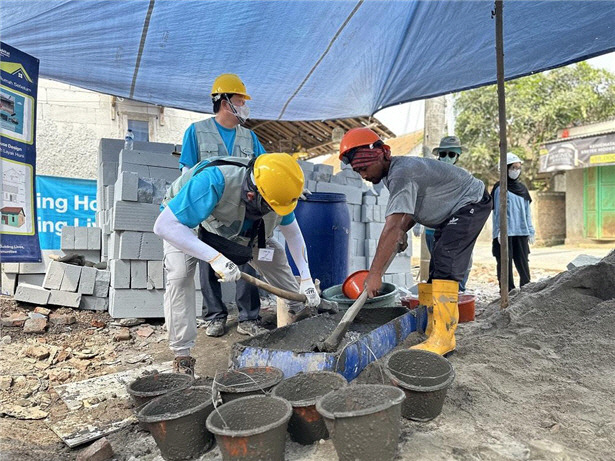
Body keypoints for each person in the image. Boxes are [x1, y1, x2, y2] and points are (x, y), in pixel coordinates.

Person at [154, 153, 321, 375]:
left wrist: (307, 279)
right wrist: (215, 258)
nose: (273, 211)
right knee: (180, 275)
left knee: (275, 256)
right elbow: (164, 226)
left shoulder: (281, 193)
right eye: (269, 206)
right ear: (253, 194)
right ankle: (182, 356)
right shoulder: (214, 180)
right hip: (187, 227)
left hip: (240, 231)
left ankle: (302, 310)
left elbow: (294, 236)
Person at [338, 127, 492, 356]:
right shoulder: (394, 174)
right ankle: (433, 326)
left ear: (379, 156)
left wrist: (375, 274)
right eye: (357, 171)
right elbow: (408, 210)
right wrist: (403, 229)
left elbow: (391, 226)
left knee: (446, 265)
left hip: (470, 203)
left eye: (363, 168)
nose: (363, 175)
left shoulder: (402, 173)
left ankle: (444, 337)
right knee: (437, 269)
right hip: (451, 211)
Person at [178, 73, 267, 338]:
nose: (244, 105)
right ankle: (215, 316)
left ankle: (249, 316)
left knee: (249, 260)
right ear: (225, 101)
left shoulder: (249, 137)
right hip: (210, 210)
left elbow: (264, 168)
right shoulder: (196, 131)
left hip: (244, 210)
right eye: (240, 99)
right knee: (208, 261)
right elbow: (187, 171)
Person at [415, 136, 473, 292]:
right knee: (438, 265)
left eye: (451, 154)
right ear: (438, 155)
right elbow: (421, 198)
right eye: (444, 154)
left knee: (460, 264)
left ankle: (457, 295)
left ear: (457, 156)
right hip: (432, 230)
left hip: (454, 228)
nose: (447, 158)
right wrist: (417, 222)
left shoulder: (464, 177)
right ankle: (439, 298)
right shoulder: (430, 175)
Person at [491, 152, 535, 290]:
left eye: (518, 168)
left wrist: (531, 230)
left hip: (521, 232)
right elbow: (498, 212)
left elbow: (527, 212)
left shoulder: (522, 189)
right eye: (513, 168)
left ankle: (526, 290)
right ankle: (507, 291)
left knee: (523, 263)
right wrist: (499, 231)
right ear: (505, 169)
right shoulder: (500, 188)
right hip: (505, 233)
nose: (516, 171)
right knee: (505, 264)